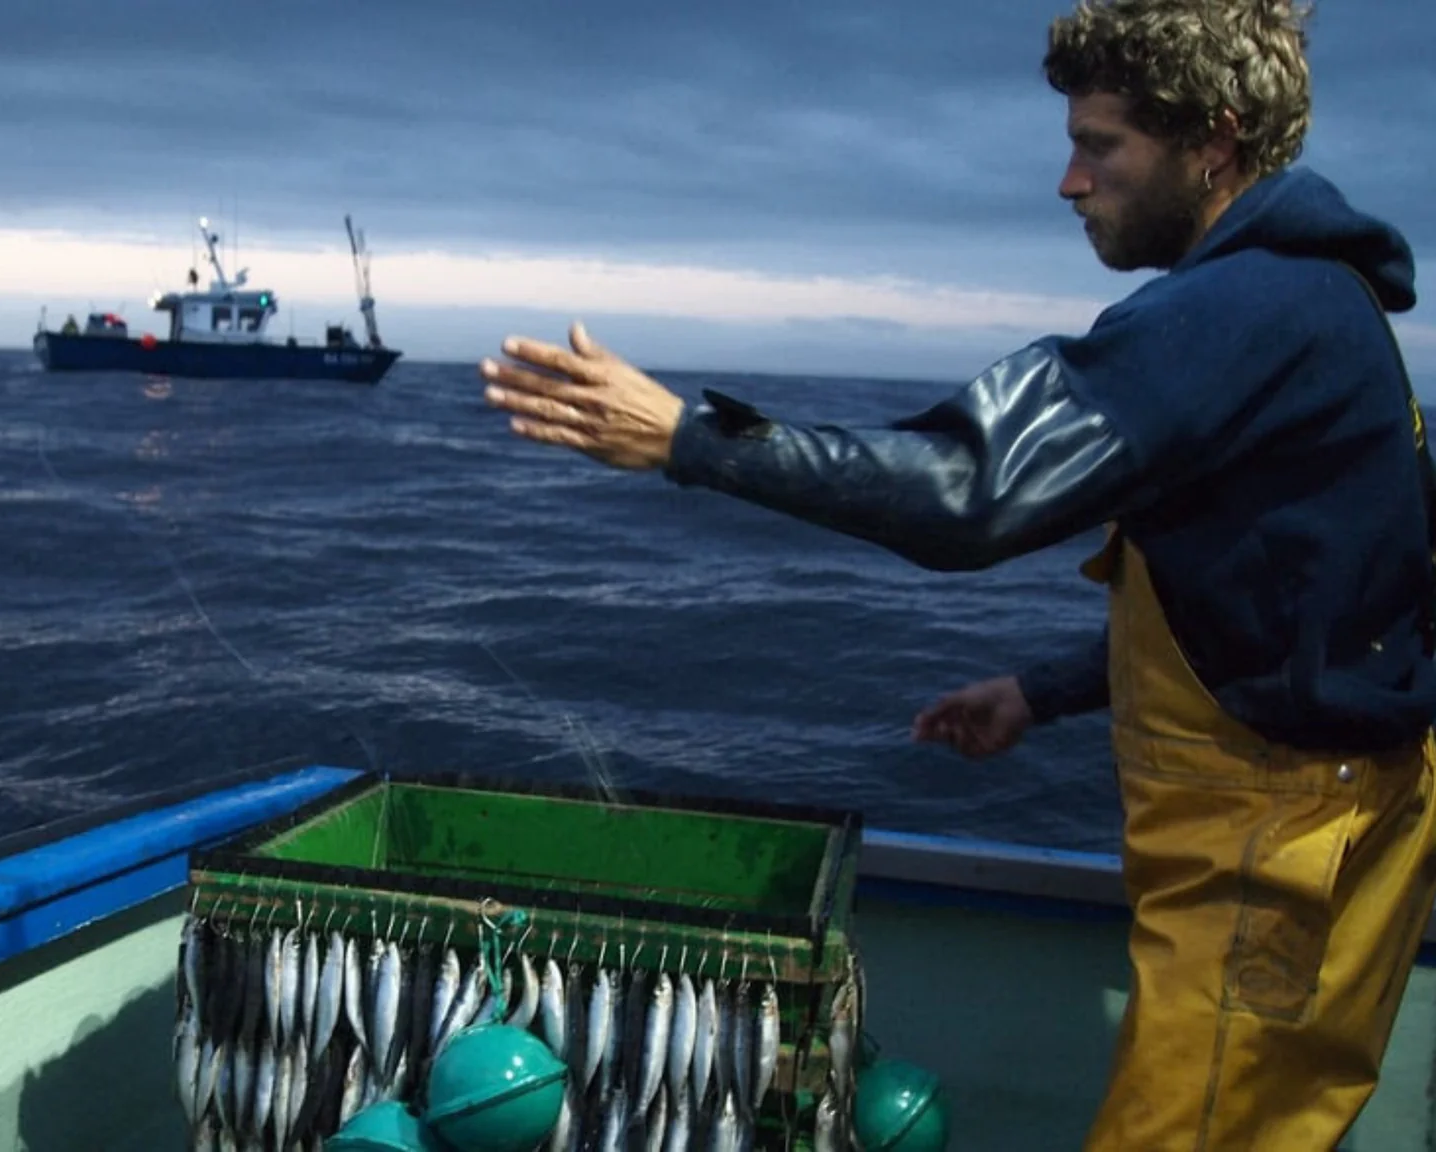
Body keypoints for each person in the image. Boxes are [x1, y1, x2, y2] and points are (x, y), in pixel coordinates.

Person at [478, 0, 1436, 1146]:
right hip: (1338, 825)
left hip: (1275, 866)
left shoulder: (1239, 311)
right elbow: (1290, 609)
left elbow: (969, 491)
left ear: (1214, 140)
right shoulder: (1323, 303)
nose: (1069, 181)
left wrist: (688, 441)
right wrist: (1042, 691)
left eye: (1100, 144)